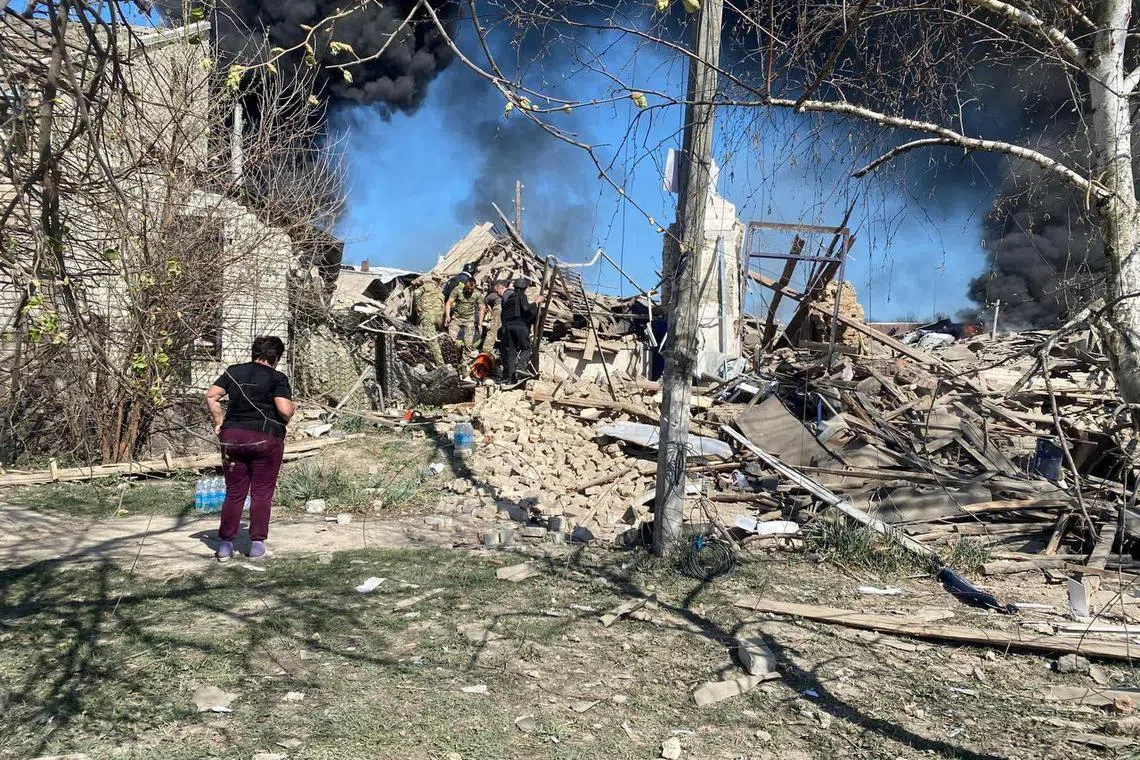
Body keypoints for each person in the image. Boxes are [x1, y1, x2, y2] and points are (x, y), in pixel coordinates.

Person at [204, 336, 295, 561]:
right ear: (276, 357)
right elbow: (284, 410)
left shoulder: (234, 371)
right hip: (265, 438)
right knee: (261, 492)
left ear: (254, 352)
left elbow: (211, 395)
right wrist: (292, 408)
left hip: (233, 437)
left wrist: (219, 421)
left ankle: (225, 545)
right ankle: (256, 545)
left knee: (234, 492)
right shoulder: (277, 377)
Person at [501, 277, 541, 383]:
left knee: (511, 352)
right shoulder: (521, 295)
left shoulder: (508, 299)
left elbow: (503, 315)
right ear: (524, 288)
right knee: (527, 348)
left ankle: (510, 378)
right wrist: (535, 303)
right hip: (520, 325)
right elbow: (526, 309)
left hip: (508, 327)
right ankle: (520, 367)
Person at [412, 275, 445, 364]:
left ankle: (440, 364)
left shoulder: (426, 286)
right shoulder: (440, 291)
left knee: (431, 340)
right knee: (436, 339)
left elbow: (416, 293)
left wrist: (418, 307)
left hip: (427, 316)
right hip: (438, 317)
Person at [444, 278, 480, 355]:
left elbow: (482, 307)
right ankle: (451, 358)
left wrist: (480, 323)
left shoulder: (477, 293)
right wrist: (447, 316)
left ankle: (465, 362)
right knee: (450, 340)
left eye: (472, 289)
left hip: (469, 320)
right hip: (456, 319)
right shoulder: (457, 290)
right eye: (468, 289)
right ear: (465, 286)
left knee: (468, 344)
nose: (470, 291)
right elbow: (449, 303)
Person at [479, 279, 509, 355]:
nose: (496, 292)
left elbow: (484, 304)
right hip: (508, 311)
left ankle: (486, 351)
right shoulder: (511, 293)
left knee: (492, 330)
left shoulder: (493, 295)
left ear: (501, 288)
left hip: (498, 309)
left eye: (496, 290)